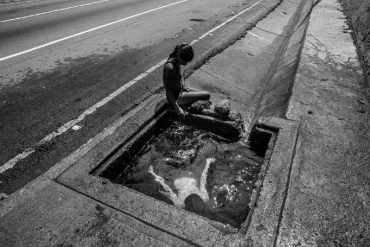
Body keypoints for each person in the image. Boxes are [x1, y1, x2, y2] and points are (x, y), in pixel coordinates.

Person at [163, 43, 210, 119]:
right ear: (179, 56)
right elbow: (168, 90)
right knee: (207, 95)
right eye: (185, 61)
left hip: (181, 90)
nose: (186, 63)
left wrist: (183, 85)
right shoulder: (170, 67)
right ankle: (190, 106)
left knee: (205, 96)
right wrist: (178, 108)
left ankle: (191, 104)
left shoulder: (178, 61)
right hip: (176, 98)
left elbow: (182, 73)